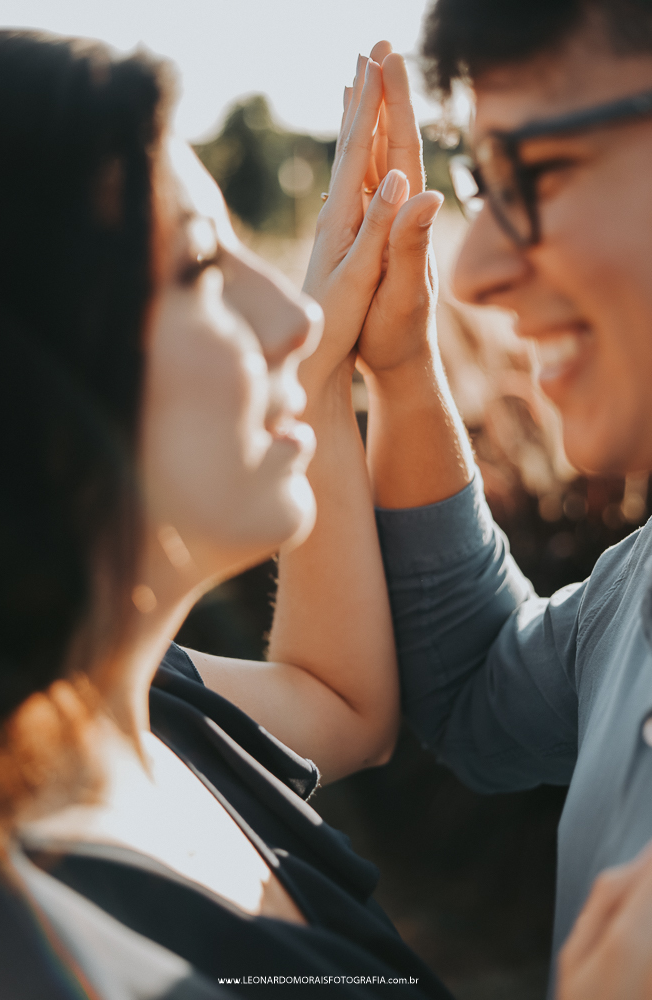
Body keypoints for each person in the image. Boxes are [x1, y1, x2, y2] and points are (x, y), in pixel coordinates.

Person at [0, 29, 452, 999]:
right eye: (200, 267)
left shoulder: (138, 703)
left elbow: (339, 700)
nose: (297, 318)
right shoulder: (46, 955)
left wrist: (329, 382)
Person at [314, 2, 652, 998]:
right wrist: (403, 371)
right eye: (479, 185)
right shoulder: (636, 588)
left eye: (534, 176)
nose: (472, 270)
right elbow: (472, 692)